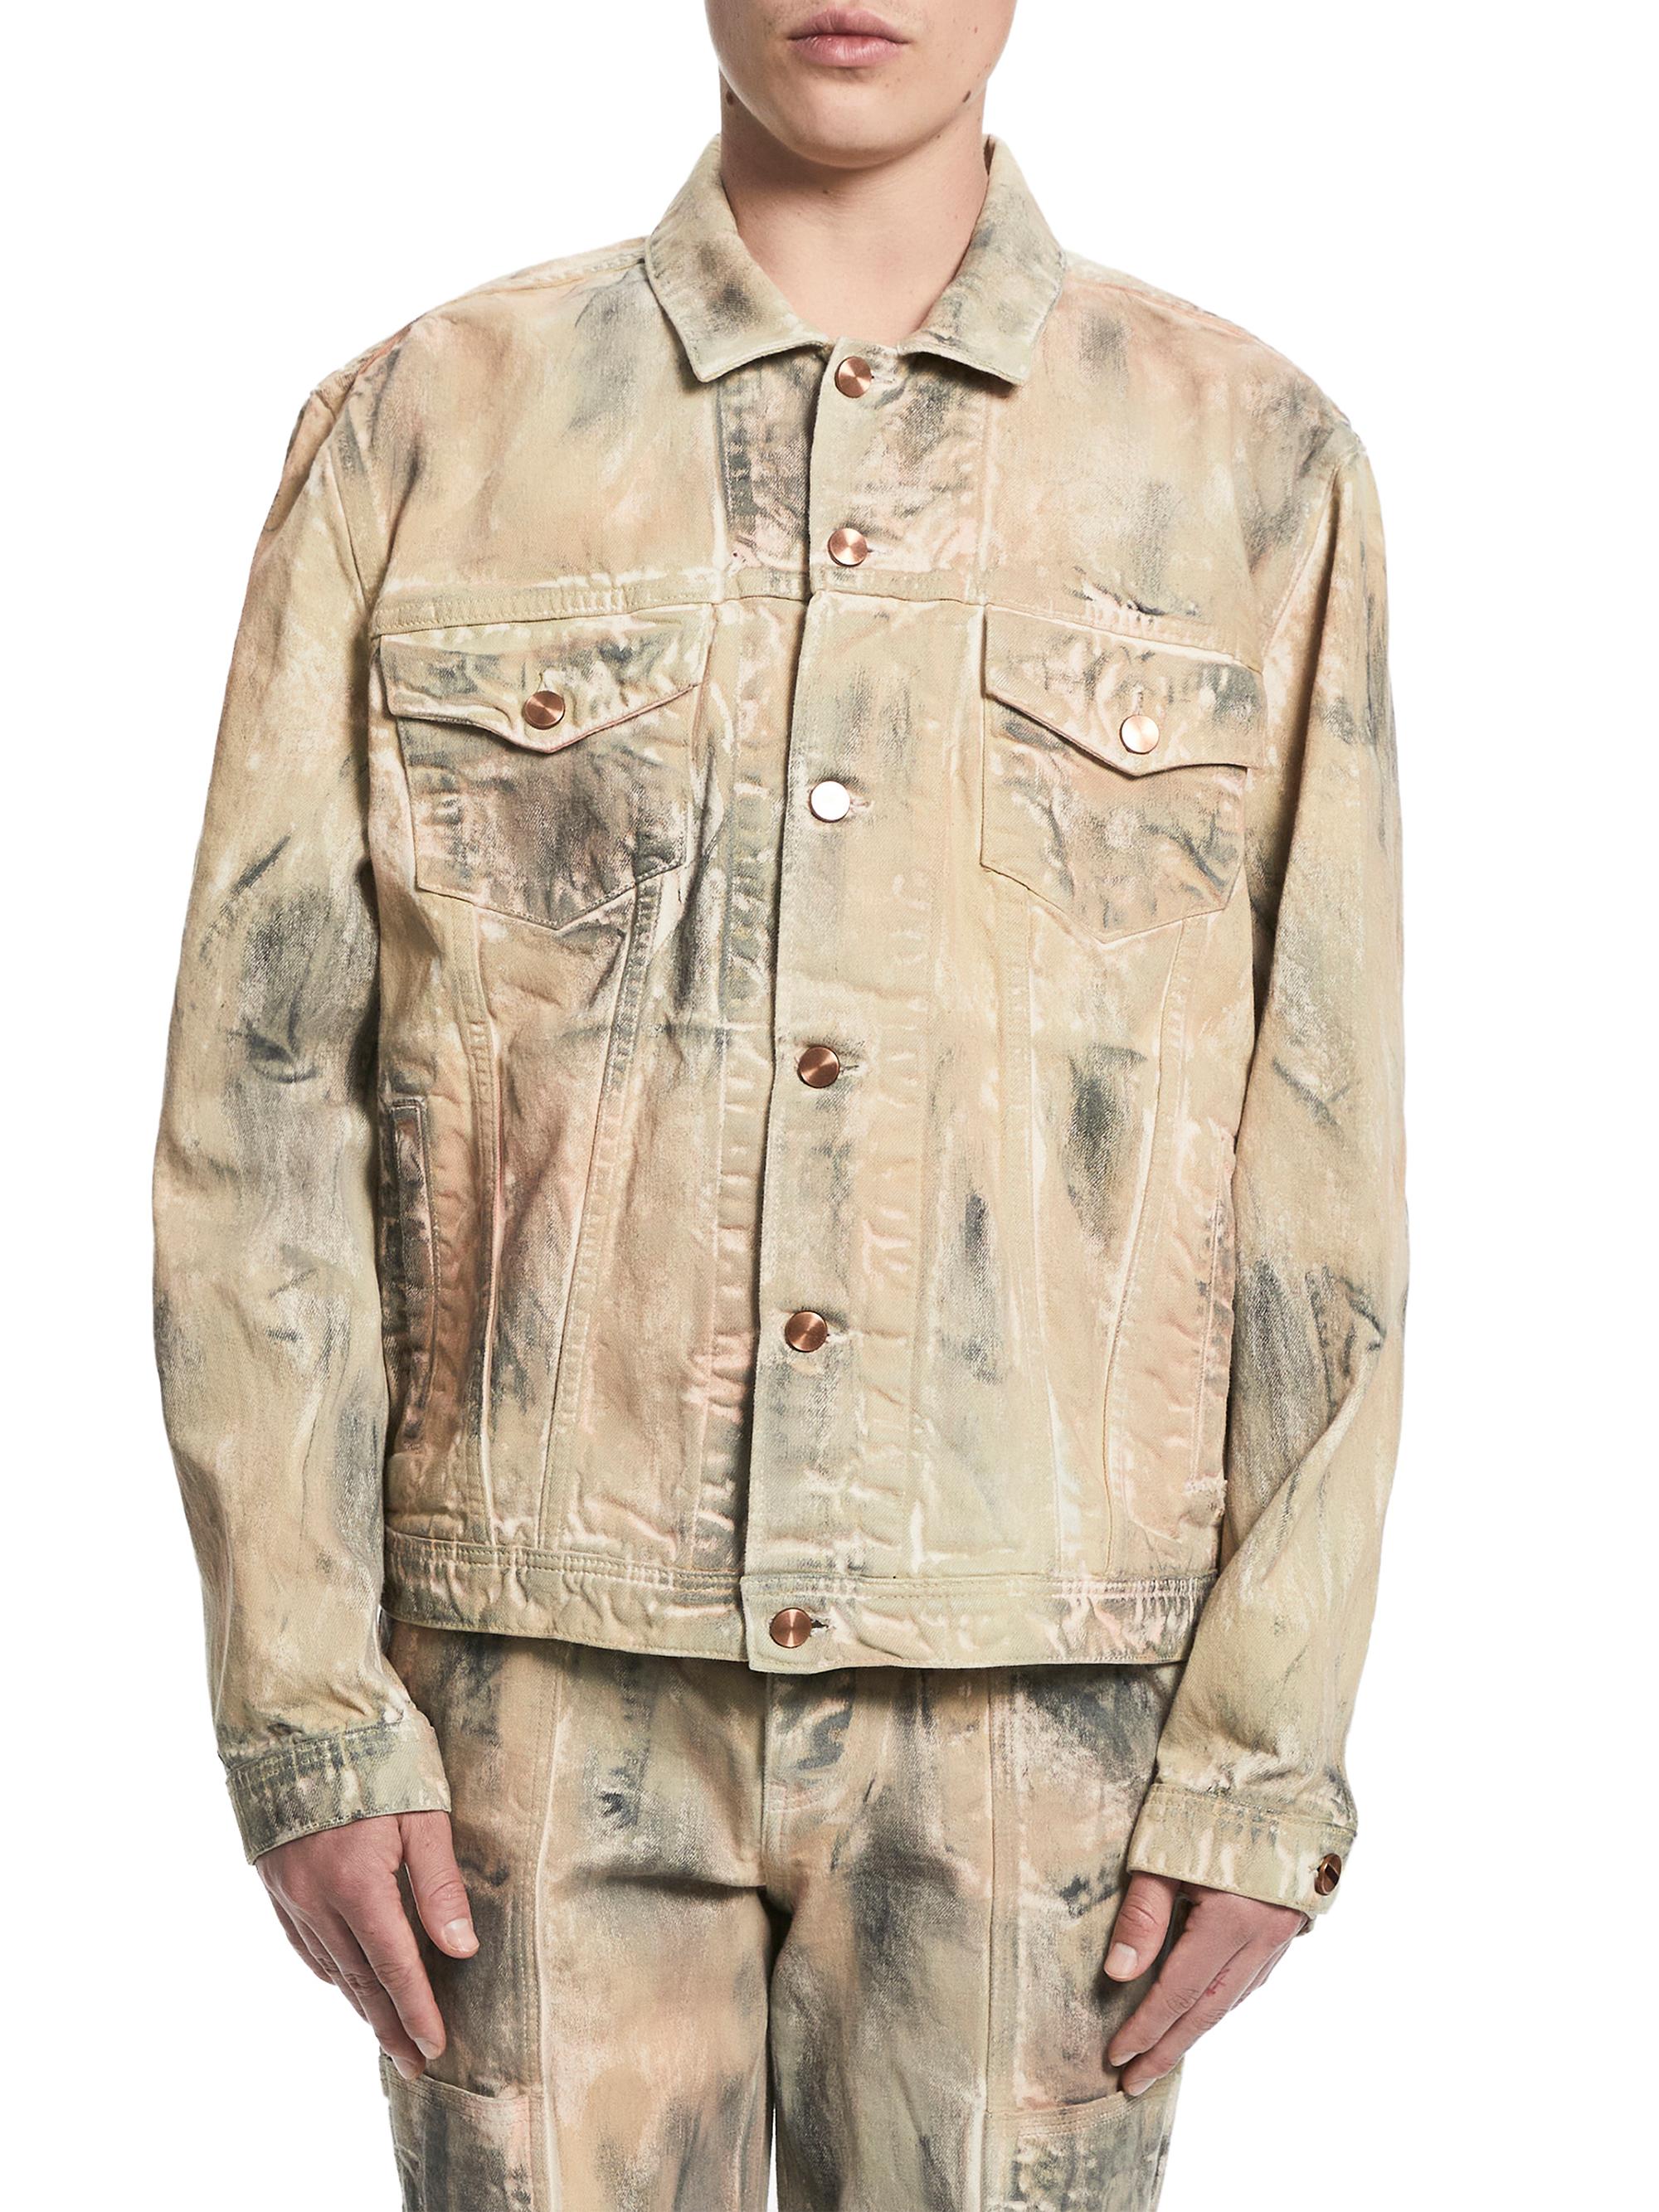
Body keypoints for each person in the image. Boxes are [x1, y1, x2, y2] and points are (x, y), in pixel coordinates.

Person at [151, 2, 1407, 2205]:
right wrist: (306, 1702)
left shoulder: (1247, 463)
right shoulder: (431, 425)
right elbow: (261, 1100)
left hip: (1044, 1733)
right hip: (529, 1709)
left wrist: (1259, 1753)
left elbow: (1324, 1134)